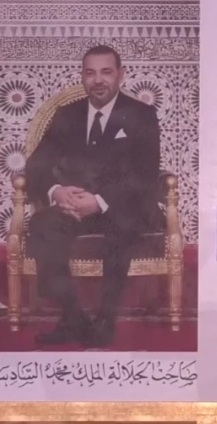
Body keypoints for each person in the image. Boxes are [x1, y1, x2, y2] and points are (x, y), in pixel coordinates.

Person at [24, 45, 162, 348]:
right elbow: (36, 165)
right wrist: (57, 192)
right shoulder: (67, 115)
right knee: (43, 225)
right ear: (82, 77)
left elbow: (145, 175)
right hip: (74, 207)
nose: (98, 80)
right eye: (90, 73)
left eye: (106, 72)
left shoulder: (141, 115)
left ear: (120, 75)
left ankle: (105, 320)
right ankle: (72, 317)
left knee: (121, 227)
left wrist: (98, 202)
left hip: (123, 206)